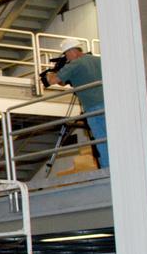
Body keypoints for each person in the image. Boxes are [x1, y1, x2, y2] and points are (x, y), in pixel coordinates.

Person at [45, 38, 107, 168]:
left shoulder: (74, 64)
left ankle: (108, 168)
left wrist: (51, 73)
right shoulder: (99, 60)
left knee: (101, 139)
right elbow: (64, 81)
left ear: (72, 51)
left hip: (93, 107)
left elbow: (53, 81)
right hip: (109, 104)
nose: (67, 58)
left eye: (66, 54)